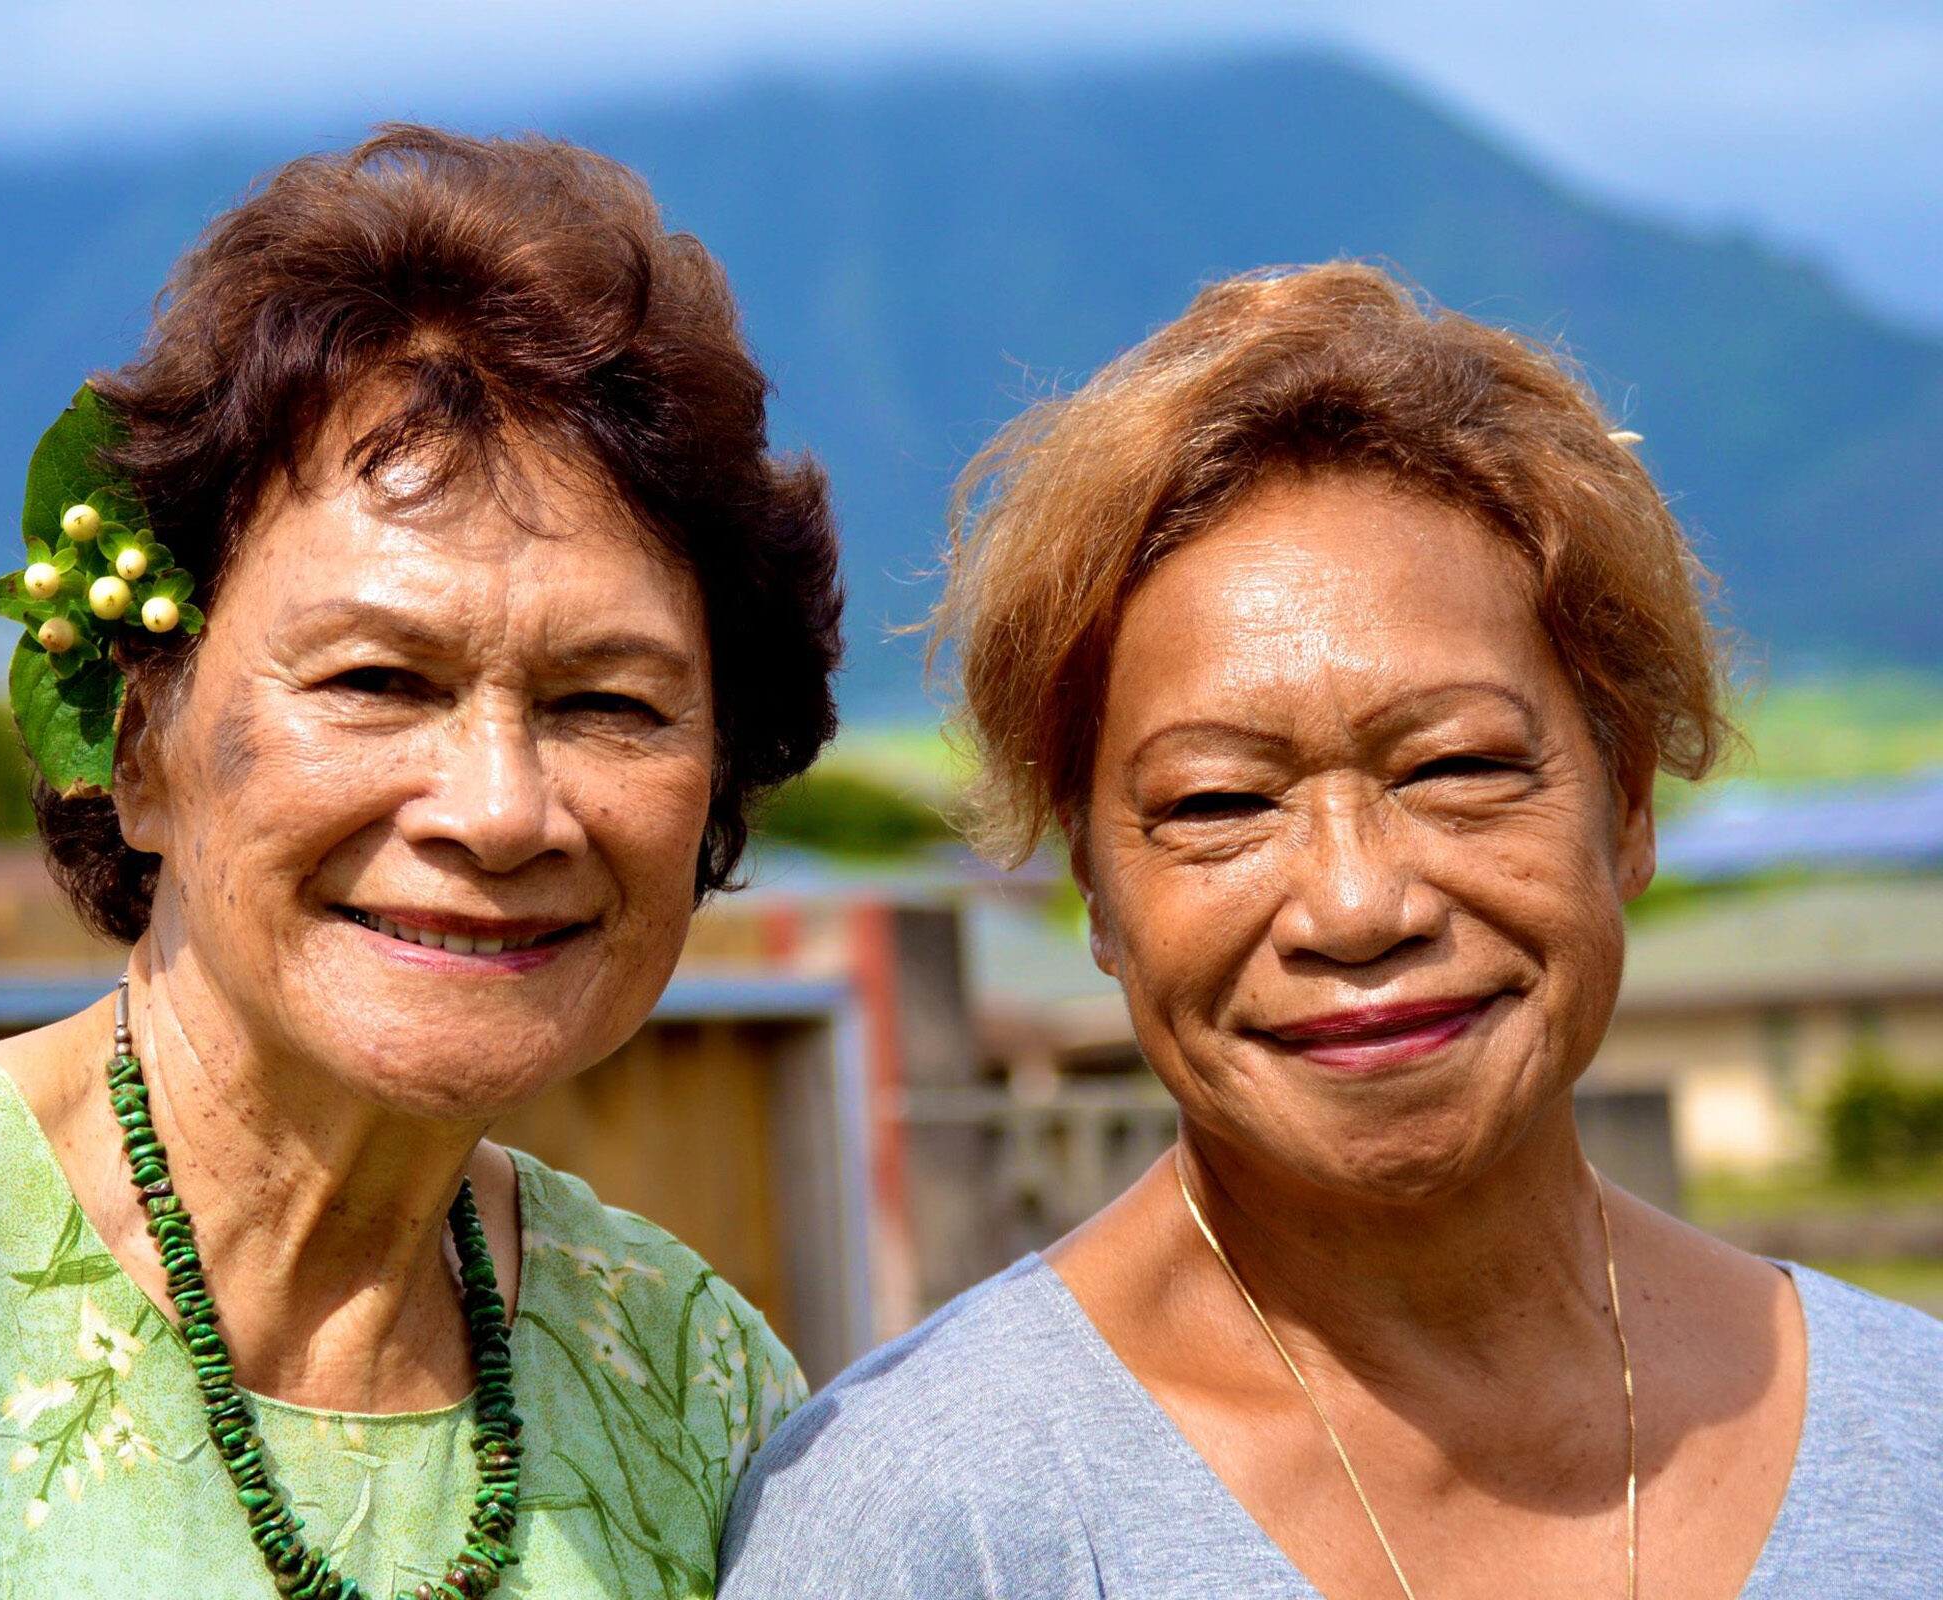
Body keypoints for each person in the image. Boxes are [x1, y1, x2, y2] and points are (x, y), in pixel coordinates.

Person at [0, 127, 841, 1600]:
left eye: (608, 703)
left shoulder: (695, 1385)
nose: (497, 810)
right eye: (375, 679)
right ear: (144, 741)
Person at [720, 262, 1943, 1598]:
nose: (1359, 906)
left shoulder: (1911, 1439)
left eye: (1458, 769)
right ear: (1098, 888)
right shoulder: (934, 1519)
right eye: (1221, 802)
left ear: (1630, 801)